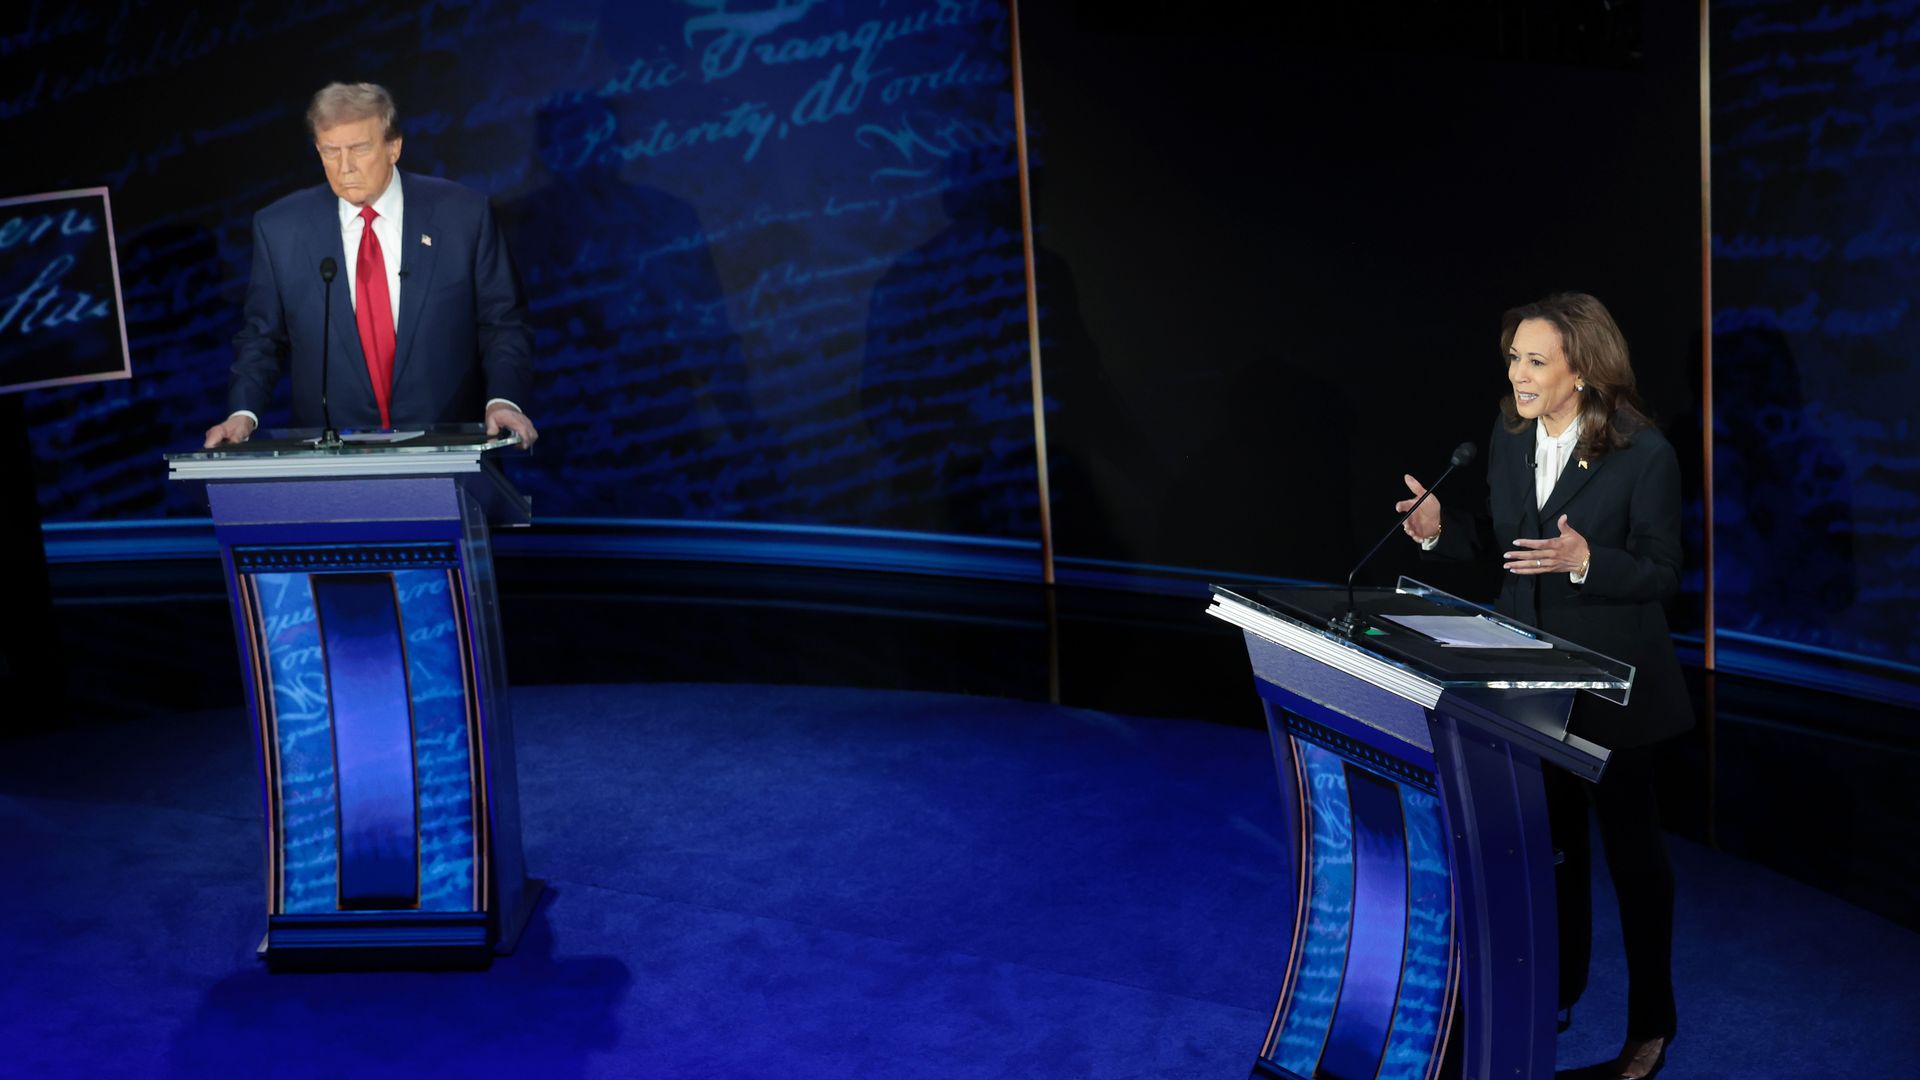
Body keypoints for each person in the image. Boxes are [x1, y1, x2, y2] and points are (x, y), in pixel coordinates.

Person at [1398, 292, 1690, 1079]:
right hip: (1525, 682)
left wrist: (1588, 562)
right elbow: (1508, 544)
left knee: (1634, 862)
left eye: (1535, 360)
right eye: (1513, 359)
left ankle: (1652, 1025)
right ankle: (1554, 991)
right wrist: (1440, 530)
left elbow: (1664, 574)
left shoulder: (1644, 454)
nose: (1517, 375)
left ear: (1582, 370)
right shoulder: (1510, 434)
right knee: (1547, 851)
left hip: (1611, 690)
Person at [204, 82, 537, 448]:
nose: (345, 167)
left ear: (394, 147)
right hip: (331, 457)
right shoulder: (280, 229)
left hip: (450, 446)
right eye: (330, 152)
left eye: (359, 149)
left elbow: (503, 323)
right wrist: (243, 414)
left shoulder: (463, 215)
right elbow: (262, 338)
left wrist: (503, 400)